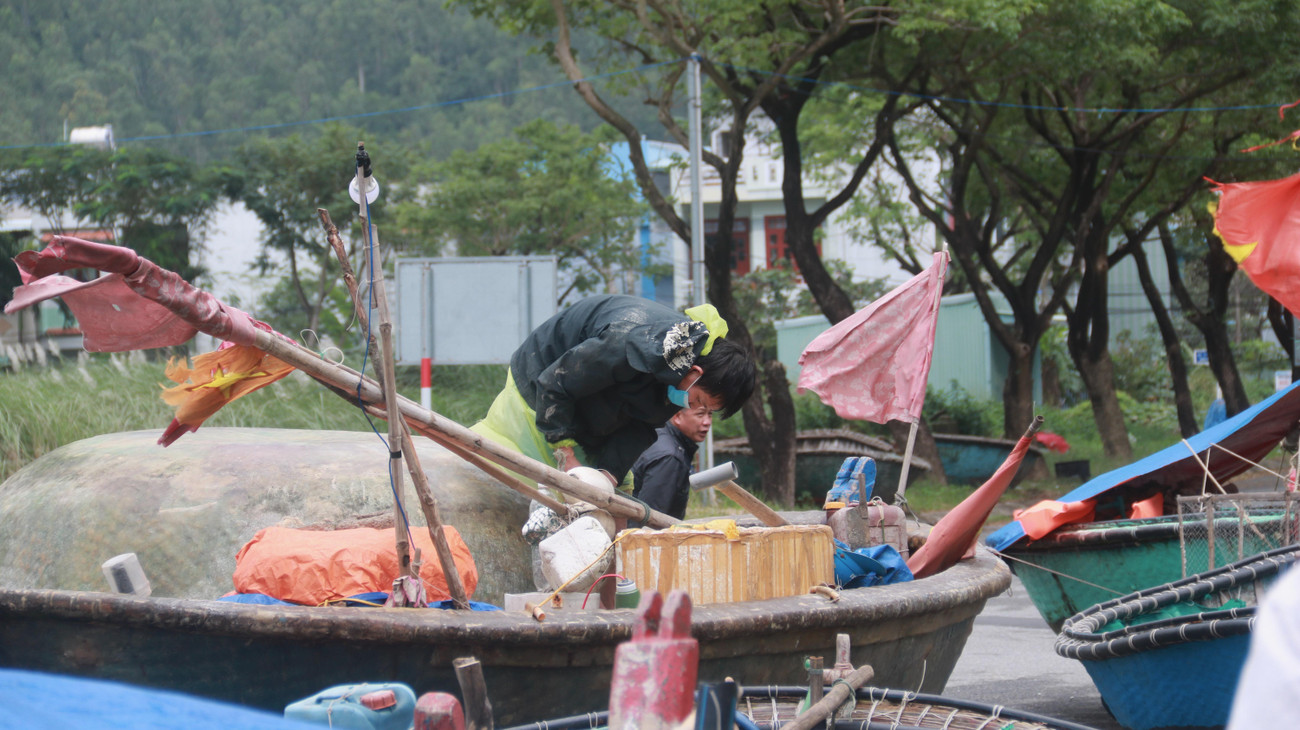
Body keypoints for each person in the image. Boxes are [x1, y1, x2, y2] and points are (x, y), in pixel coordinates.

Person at [471, 294, 755, 487]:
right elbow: (556, 383)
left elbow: (642, 425)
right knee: (539, 482)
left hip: (596, 404)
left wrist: (609, 474)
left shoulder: (678, 369)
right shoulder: (625, 341)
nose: (693, 409)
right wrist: (565, 456)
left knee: (612, 490)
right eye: (700, 402)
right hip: (542, 383)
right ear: (695, 373)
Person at [630, 391, 715, 520]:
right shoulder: (670, 457)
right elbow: (651, 521)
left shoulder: (659, 434)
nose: (707, 422)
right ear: (677, 416)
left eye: (710, 414)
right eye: (700, 414)